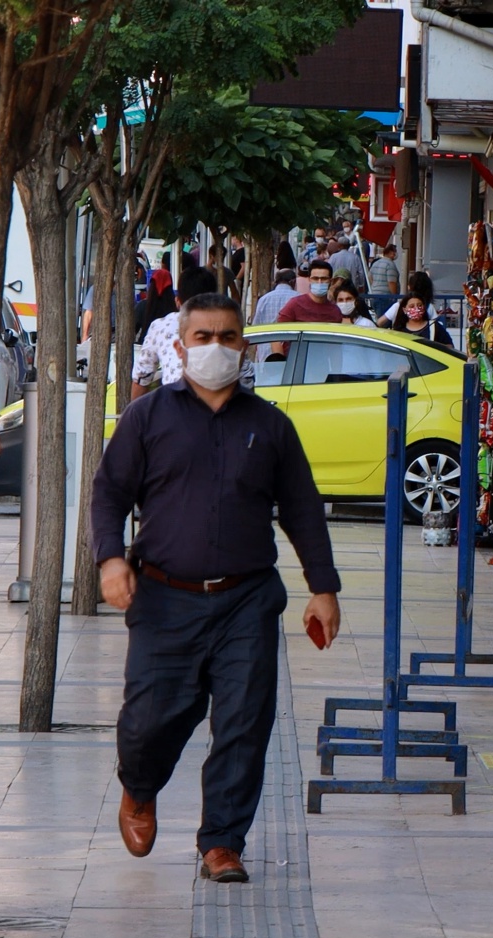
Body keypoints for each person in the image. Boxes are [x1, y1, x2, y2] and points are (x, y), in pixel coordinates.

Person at [91, 292, 342, 882]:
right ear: (180, 347)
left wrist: (322, 588)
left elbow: (303, 510)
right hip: (162, 596)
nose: (215, 348)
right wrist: (109, 561)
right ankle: (140, 785)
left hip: (247, 599)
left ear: (244, 347)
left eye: (227, 337)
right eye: (202, 337)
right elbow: (108, 495)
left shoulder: (270, 426)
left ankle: (222, 842)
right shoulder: (147, 418)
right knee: (151, 719)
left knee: (243, 721)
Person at [133, 267, 222, 398]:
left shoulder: (160, 325)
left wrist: (133, 415)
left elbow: (141, 378)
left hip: (174, 408)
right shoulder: (227, 326)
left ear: (178, 301)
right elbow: (246, 377)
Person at [276, 260, 343, 323]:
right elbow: (280, 331)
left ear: (330, 281)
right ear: (309, 280)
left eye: (324, 279)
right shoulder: (294, 305)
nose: (319, 282)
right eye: (315, 278)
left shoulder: (335, 311)